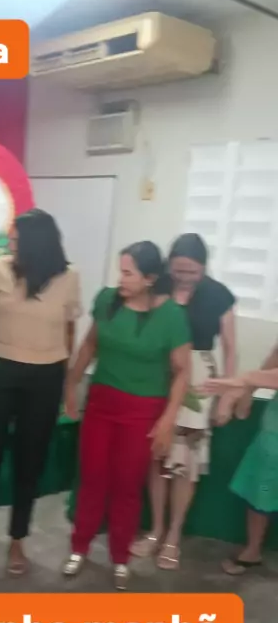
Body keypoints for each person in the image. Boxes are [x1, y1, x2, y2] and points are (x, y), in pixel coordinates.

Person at [0, 209, 81, 575]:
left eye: (17, 240)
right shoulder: (0, 270)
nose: (10, 246)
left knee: (30, 459)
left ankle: (18, 540)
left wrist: (67, 381)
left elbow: (69, 330)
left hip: (45, 376)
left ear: (38, 243)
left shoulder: (69, 278)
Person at [62, 241, 191, 589]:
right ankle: (79, 547)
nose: (121, 279)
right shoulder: (107, 300)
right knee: (92, 477)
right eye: (120, 271)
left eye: (128, 273)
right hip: (101, 403)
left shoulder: (171, 316)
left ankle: (120, 557)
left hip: (142, 410)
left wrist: (167, 421)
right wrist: (71, 384)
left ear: (150, 279)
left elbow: (182, 372)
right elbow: (90, 344)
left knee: (126, 484)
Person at [131, 233, 236, 569]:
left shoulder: (218, 295)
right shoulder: (159, 286)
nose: (184, 277)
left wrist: (227, 395)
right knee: (157, 455)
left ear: (203, 267)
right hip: (159, 372)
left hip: (199, 380)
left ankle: (174, 535)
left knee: (184, 463)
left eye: (192, 271)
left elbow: (230, 349)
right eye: (178, 270)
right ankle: (155, 529)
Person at [203, 344, 278, 575]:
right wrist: (246, 391)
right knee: (260, 488)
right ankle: (253, 550)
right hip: (273, 433)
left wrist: (243, 381)